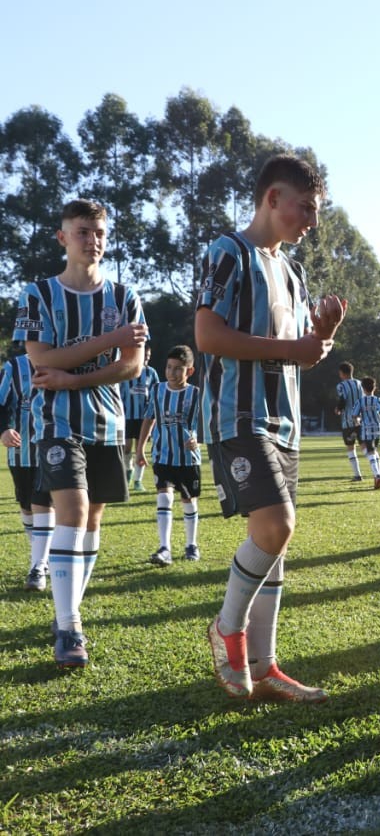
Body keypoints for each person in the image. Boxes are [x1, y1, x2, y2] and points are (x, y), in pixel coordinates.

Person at [199, 154, 346, 703]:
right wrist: (296, 348)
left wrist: (324, 335)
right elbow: (208, 336)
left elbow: (305, 353)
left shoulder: (292, 270)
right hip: (238, 414)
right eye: (305, 208)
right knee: (276, 525)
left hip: (285, 422)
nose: (311, 220)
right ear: (273, 199)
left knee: (276, 545)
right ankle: (226, 629)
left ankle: (264, 666)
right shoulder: (227, 253)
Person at [14, 198, 148, 669]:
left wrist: (75, 378)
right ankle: (70, 627)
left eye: (99, 233)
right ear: (63, 237)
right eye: (83, 231)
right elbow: (40, 359)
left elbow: (131, 367)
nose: (93, 241)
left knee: (92, 523)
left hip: (107, 424)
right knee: (71, 511)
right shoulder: (37, 294)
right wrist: (108, 344)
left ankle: (67, 612)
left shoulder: (125, 296)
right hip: (54, 423)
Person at [138, 345, 203, 565]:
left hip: (187, 459)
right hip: (162, 456)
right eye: (169, 367)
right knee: (164, 497)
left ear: (189, 371)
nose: (172, 372)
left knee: (188, 501)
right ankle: (164, 548)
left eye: (178, 369)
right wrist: (140, 449)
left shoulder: (196, 394)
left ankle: (191, 545)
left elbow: (207, 422)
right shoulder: (157, 390)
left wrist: (198, 439)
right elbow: (149, 419)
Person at [0, 350, 54, 591]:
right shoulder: (14, 367)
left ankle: (38, 565)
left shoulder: (64, 361)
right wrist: (3, 430)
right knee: (26, 504)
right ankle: (41, 554)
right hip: (21, 452)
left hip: (54, 447)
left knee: (45, 501)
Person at [123, 346, 159, 491]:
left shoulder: (151, 373)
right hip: (126, 416)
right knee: (126, 448)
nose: (146, 358)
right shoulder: (126, 371)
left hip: (144, 418)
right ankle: (128, 472)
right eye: (144, 355)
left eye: (148, 355)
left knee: (140, 448)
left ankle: (138, 481)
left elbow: (156, 392)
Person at [335, 362, 363, 481]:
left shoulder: (341, 385)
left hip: (348, 421)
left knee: (351, 447)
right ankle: (377, 473)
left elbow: (343, 399)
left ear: (342, 373)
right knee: (366, 446)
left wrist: (338, 409)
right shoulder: (360, 384)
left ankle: (357, 475)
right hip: (362, 420)